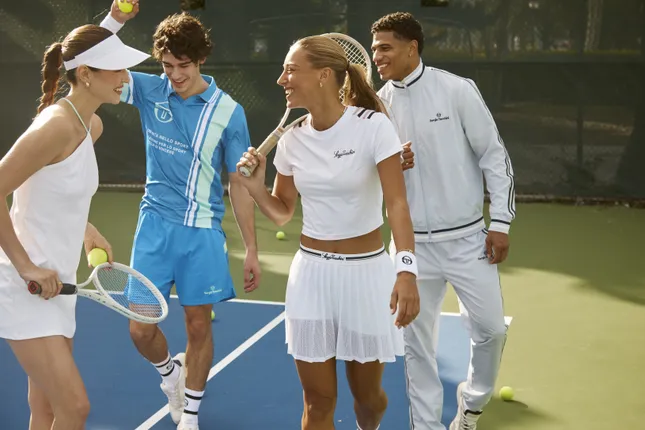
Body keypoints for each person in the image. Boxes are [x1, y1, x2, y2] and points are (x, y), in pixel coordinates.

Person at [236, 34, 420, 430]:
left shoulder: (374, 127)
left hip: (367, 276)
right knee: (317, 401)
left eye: (290, 70)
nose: (281, 80)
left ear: (323, 75)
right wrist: (255, 188)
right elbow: (282, 212)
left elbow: (397, 204)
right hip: (311, 277)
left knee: (367, 400)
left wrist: (406, 270)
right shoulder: (291, 141)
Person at [99, 2, 261, 429]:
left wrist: (251, 248)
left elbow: (239, 184)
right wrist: (115, 20)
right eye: (167, 65)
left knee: (198, 326)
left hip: (202, 234)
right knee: (139, 330)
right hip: (153, 227)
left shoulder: (229, 113)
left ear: (201, 58)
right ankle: (171, 375)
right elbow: (88, 60)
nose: (174, 74)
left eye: (183, 65)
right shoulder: (149, 90)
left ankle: (190, 415)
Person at [370, 12, 516, 430]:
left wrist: (501, 222)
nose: (377, 56)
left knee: (491, 331)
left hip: (470, 241)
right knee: (416, 346)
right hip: (411, 247)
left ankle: (470, 406)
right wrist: (390, 165)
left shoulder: (457, 90)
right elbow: (365, 178)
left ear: (411, 48)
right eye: (374, 48)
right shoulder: (376, 107)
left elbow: (493, 155)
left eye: (385, 47)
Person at [0, 23, 149, 430]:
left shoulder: (90, 126)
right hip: (26, 287)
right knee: (75, 408)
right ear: (85, 74)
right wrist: (26, 267)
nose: (125, 77)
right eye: (116, 69)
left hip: (59, 285)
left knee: (46, 409)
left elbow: (57, 186)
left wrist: (86, 228)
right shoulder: (56, 126)